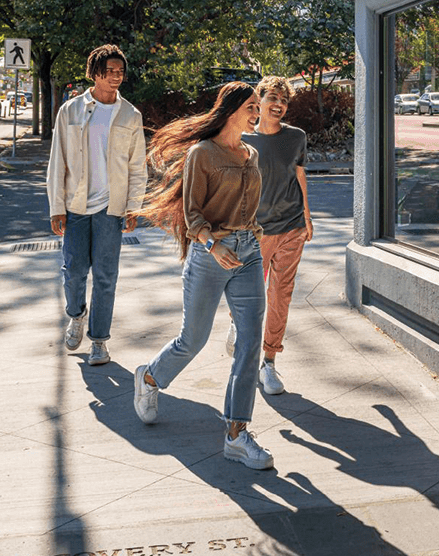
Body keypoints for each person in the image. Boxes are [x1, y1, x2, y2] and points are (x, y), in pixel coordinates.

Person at [132, 82, 274, 470]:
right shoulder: (203, 154)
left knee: (250, 342)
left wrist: (253, 238)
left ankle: (236, 434)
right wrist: (214, 245)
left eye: (257, 107)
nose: (257, 113)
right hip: (210, 254)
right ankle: (149, 379)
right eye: (251, 106)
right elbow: (192, 214)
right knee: (192, 339)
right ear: (231, 110)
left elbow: (248, 208)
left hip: (248, 253)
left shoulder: (251, 154)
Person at [48, 45, 147, 366]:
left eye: (120, 71)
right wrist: (56, 206)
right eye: (110, 71)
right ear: (95, 73)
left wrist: (133, 206)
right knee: (74, 272)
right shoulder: (71, 111)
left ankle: (99, 341)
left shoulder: (130, 115)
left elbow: (137, 166)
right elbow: (58, 161)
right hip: (76, 206)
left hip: (111, 208)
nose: (116, 76)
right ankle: (76, 315)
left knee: (106, 277)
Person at [226, 75, 312, 396]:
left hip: (292, 228)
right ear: (259, 101)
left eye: (284, 100)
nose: (279, 105)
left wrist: (307, 217)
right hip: (256, 232)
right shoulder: (241, 138)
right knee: (251, 294)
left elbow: (299, 174)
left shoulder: (296, 137)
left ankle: (269, 362)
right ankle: (236, 322)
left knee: (281, 295)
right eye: (273, 98)